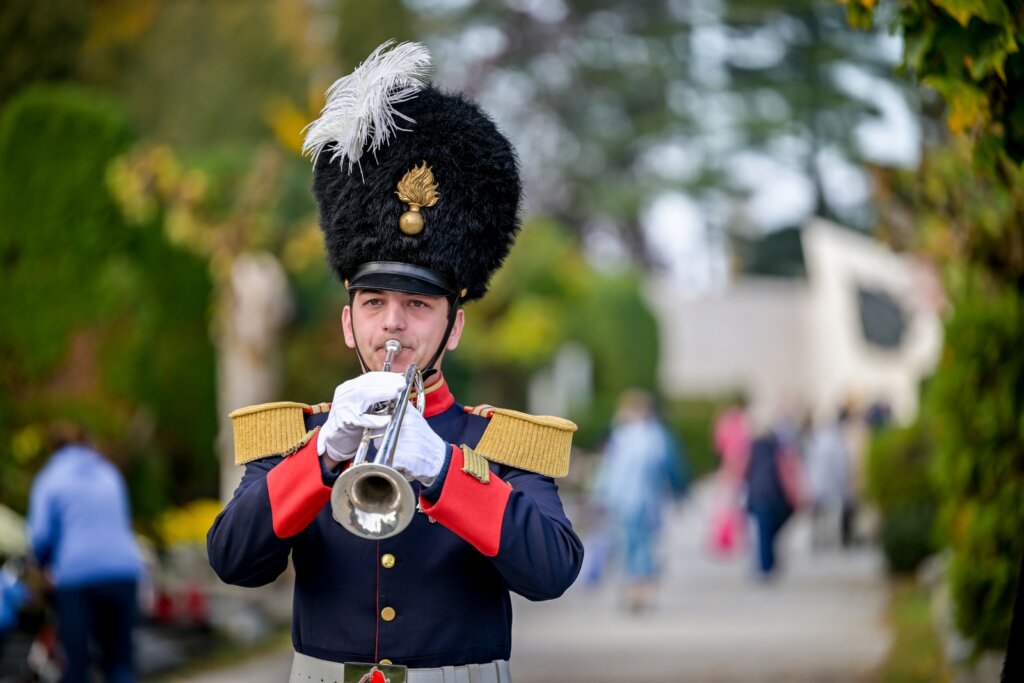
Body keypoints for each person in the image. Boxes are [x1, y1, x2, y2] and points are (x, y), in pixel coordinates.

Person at [207, 41, 583, 683]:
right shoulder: (297, 436)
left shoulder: (500, 445)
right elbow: (233, 561)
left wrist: (441, 467)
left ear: (454, 326)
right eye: (374, 302)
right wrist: (322, 455)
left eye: (418, 305)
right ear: (347, 321)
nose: (393, 324)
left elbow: (552, 572)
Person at [26, 423, 144, 683]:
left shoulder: (50, 478)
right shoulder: (110, 474)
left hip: (77, 576)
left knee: (77, 664)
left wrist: (42, 564)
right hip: (124, 572)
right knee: (120, 663)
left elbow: (40, 535)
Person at [592, 390, 686, 613]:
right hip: (647, 500)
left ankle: (631, 589)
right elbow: (670, 467)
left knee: (626, 545)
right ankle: (641, 590)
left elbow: (607, 471)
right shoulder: (656, 436)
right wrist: (680, 493)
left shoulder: (620, 435)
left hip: (620, 501)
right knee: (644, 545)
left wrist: (600, 497)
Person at [708, 395, 751, 556]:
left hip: (730, 465)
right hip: (740, 467)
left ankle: (725, 538)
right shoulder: (743, 425)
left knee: (726, 504)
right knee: (737, 505)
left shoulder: (725, 424)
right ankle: (734, 537)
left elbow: (717, 445)